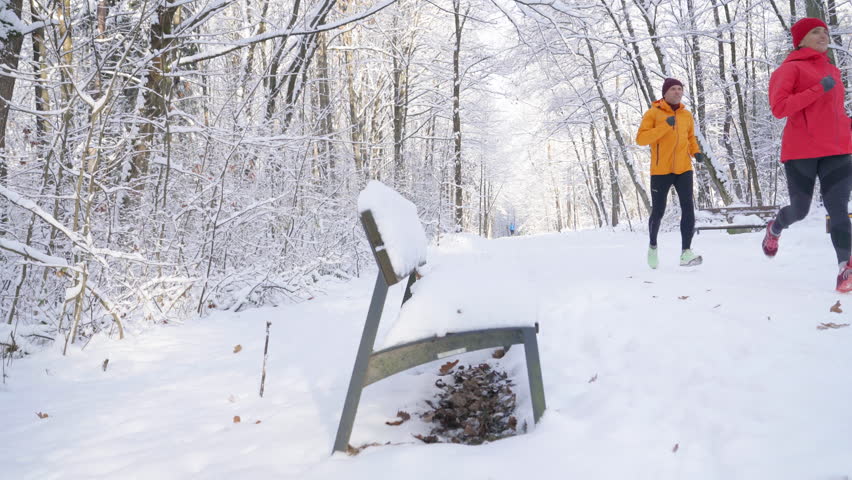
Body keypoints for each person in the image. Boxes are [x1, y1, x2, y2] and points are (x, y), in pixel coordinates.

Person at [763, 17, 852, 292]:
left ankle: (845, 268)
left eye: (825, 31)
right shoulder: (789, 70)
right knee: (800, 210)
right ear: (800, 39)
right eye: (815, 32)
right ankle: (775, 227)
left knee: (838, 207)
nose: (823, 35)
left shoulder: (833, 71)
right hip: (801, 150)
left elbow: (833, 111)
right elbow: (779, 108)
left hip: (837, 149)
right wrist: (817, 89)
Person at [636, 78, 705, 269]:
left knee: (688, 207)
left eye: (680, 89)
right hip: (661, 171)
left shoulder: (686, 115)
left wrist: (696, 152)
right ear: (665, 93)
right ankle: (652, 245)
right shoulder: (653, 113)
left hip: (684, 169)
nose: (677, 92)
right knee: (658, 211)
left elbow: (690, 138)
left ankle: (686, 252)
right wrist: (665, 125)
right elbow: (641, 139)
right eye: (673, 89)